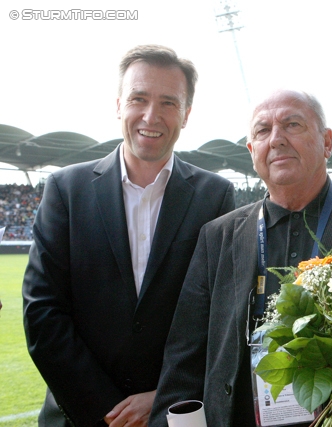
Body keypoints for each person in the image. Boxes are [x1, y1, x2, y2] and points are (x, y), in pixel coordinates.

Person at [150, 89, 332, 427]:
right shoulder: (217, 236)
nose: (276, 139)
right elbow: (184, 357)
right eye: (262, 131)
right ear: (252, 151)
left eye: (292, 124)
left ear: (327, 142)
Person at [23, 44, 235, 427]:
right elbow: (42, 313)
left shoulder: (215, 196)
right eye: (139, 98)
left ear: (186, 115)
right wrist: (107, 411)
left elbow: (221, 318)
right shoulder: (64, 189)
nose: (151, 116)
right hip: (78, 416)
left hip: (173, 414)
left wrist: (161, 399)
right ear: (119, 104)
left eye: (168, 103)